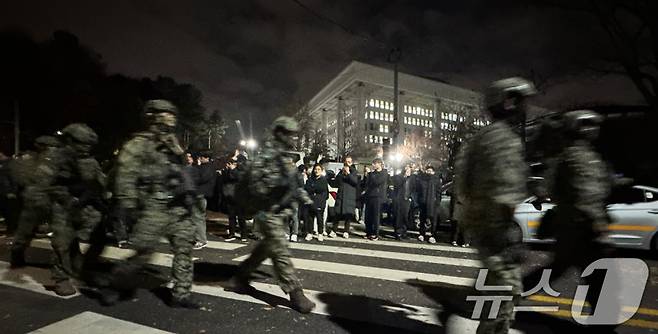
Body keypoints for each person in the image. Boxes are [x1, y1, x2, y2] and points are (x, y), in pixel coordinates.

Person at [455, 77, 535, 333]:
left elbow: (463, 184)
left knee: (494, 286)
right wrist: (508, 233)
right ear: (508, 102)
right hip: (495, 227)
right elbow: (504, 191)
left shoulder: (482, 137)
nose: (525, 108)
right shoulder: (504, 139)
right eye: (521, 101)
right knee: (506, 291)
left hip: (483, 224)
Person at [523, 110, 618, 326]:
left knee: (559, 270)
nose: (593, 129)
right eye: (588, 125)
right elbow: (586, 193)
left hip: (572, 227)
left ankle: (510, 293)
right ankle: (604, 322)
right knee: (597, 278)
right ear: (577, 128)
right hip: (583, 229)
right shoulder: (579, 157)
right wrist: (599, 227)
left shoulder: (575, 155)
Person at [104, 99, 199, 308]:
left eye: (171, 115)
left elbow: (183, 169)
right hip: (152, 206)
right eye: (165, 114)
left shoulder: (172, 143)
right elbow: (125, 175)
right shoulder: (139, 144)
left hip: (177, 206)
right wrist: (128, 206)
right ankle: (115, 285)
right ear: (152, 117)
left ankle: (181, 294)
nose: (170, 119)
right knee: (143, 252)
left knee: (184, 247)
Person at [228, 116, 315, 314]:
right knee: (280, 249)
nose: (292, 138)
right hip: (267, 212)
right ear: (279, 133)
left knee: (265, 249)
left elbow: (292, 185)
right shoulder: (266, 156)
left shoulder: (285, 157)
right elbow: (256, 186)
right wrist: (275, 190)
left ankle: (240, 278)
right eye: (289, 134)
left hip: (281, 211)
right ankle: (295, 293)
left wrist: (302, 195)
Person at [41, 124, 106, 296]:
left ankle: (80, 269)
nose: (86, 148)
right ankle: (61, 278)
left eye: (88, 145)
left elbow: (101, 183)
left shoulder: (90, 161)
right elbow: (45, 185)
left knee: (91, 236)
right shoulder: (55, 159)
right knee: (62, 242)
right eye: (81, 144)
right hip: (62, 206)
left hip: (84, 206)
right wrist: (67, 198)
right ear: (69, 141)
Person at [10, 135, 61, 267]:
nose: (55, 149)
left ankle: (17, 256)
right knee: (26, 230)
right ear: (45, 147)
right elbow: (19, 179)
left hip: (40, 199)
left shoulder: (32, 160)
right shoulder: (34, 161)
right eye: (53, 147)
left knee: (25, 230)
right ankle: (16, 256)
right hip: (38, 199)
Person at [328, 156, 358, 239]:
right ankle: (333, 230)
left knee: (348, 215)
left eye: (349, 162)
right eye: (346, 162)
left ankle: (346, 231)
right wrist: (330, 178)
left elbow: (355, 182)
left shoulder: (354, 171)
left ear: (351, 163)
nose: (347, 163)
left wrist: (348, 173)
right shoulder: (341, 172)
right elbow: (335, 183)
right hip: (341, 196)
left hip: (349, 196)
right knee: (337, 214)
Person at [192, 151, 215, 249]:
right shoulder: (211, 167)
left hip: (199, 194)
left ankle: (201, 240)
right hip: (203, 195)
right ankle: (201, 238)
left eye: (201, 157)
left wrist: (197, 167)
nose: (200, 159)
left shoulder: (205, 168)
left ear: (206, 158)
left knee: (197, 217)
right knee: (200, 217)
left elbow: (201, 178)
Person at [223, 157, 248, 241]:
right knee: (231, 216)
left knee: (241, 217)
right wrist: (227, 170)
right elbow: (227, 179)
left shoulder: (243, 170)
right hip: (230, 196)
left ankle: (244, 235)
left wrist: (233, 170)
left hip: (240, 196)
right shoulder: (232, 169)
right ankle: (231, 234)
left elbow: (240, 178)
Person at [416, 165, 442, 244]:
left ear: (433, 172)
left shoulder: (436, 180)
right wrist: (419, 200)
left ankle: (432, 235)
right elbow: (418, 191)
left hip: (433, 203)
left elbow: (439, 192)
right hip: (423, 202)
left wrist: (437, 201)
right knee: (422, 219)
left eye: (431, 171)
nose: (429, 172)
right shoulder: (422, 180)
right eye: (428, 170)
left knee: (433, 220)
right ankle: (421, 234)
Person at [364, 158, 387, 241]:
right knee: (368, 216)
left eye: (374, 164)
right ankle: (368, 232)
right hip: (370, 196)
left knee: (376, 216)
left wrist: (370, 173)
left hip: (378, 197)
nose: (373, 165)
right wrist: (367, 175)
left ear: (379, 164)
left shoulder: (384, 173)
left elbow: (377, 182)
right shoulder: (372, 174)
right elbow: (367, 183)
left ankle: (375, 233)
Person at [304, 163, 329, 242]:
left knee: (319, 219)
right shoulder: (310, 179)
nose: (316, 171)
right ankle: (309, 233)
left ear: (321, 171)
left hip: (320, 202)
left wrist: (321, 198)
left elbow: (324, 191)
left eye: (318, 169)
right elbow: (307, 188)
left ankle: (320, 233)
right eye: (315, 169)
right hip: (311, 201)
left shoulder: (323, 180)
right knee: (310, 218)